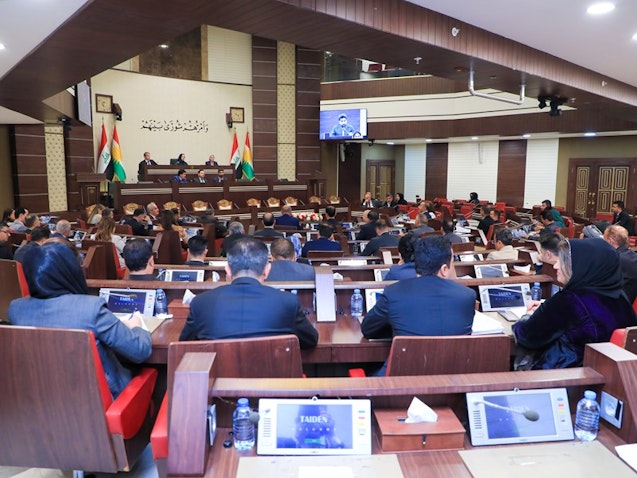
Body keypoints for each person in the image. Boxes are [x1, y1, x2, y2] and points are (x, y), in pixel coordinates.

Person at [8, 242, 152, 398]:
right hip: (100, 403)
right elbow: (140, 351)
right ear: (72, 271)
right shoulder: (91, 309)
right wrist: (138, 326)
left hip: (40, 402)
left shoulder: (16, 309)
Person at [512, 238, 637, 370]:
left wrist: (528, 315)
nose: (555, 265)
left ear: (580, 265)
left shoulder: (569, 300)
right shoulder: (620, 297)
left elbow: (527, 336)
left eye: (562, 261)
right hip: (607, 378)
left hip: (563, 379)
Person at [361, 236, 476, 375]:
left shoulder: (394, 292)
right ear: (445, 268)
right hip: (452, 384)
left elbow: (367, 329)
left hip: (400, 385)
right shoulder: (467, 296)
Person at [178, 237, 318, 349]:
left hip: (220, 383)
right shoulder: (288, 302)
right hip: (273, 383)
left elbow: (184, 346)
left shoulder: (200, 303)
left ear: (228, 271)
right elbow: (311, 341)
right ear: (267, 270)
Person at [604, 225, 637, 303]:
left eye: (604, 239)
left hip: (615, 306)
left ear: (610, 241)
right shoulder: (634, 256)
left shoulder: (613, 260)